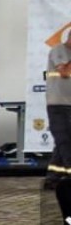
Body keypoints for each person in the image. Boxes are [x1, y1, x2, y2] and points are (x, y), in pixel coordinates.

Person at [45, 28, 71, 188]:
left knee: (63, 142)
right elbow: (64, 72)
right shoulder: (59, 50)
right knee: (65, 141)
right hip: (58, 104)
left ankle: (53, 178)